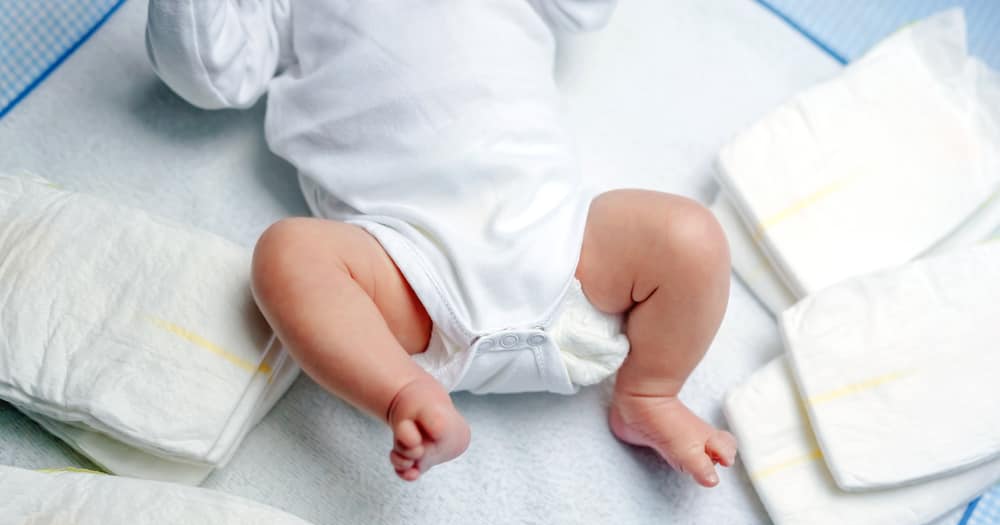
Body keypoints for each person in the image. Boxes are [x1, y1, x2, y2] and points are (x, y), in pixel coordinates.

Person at [146, 0, 737, 485]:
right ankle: (403, 393)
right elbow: (206, 72)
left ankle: (650, 392)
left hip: (564, 246)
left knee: (691, 239)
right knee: (287, 255)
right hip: (410, 269)